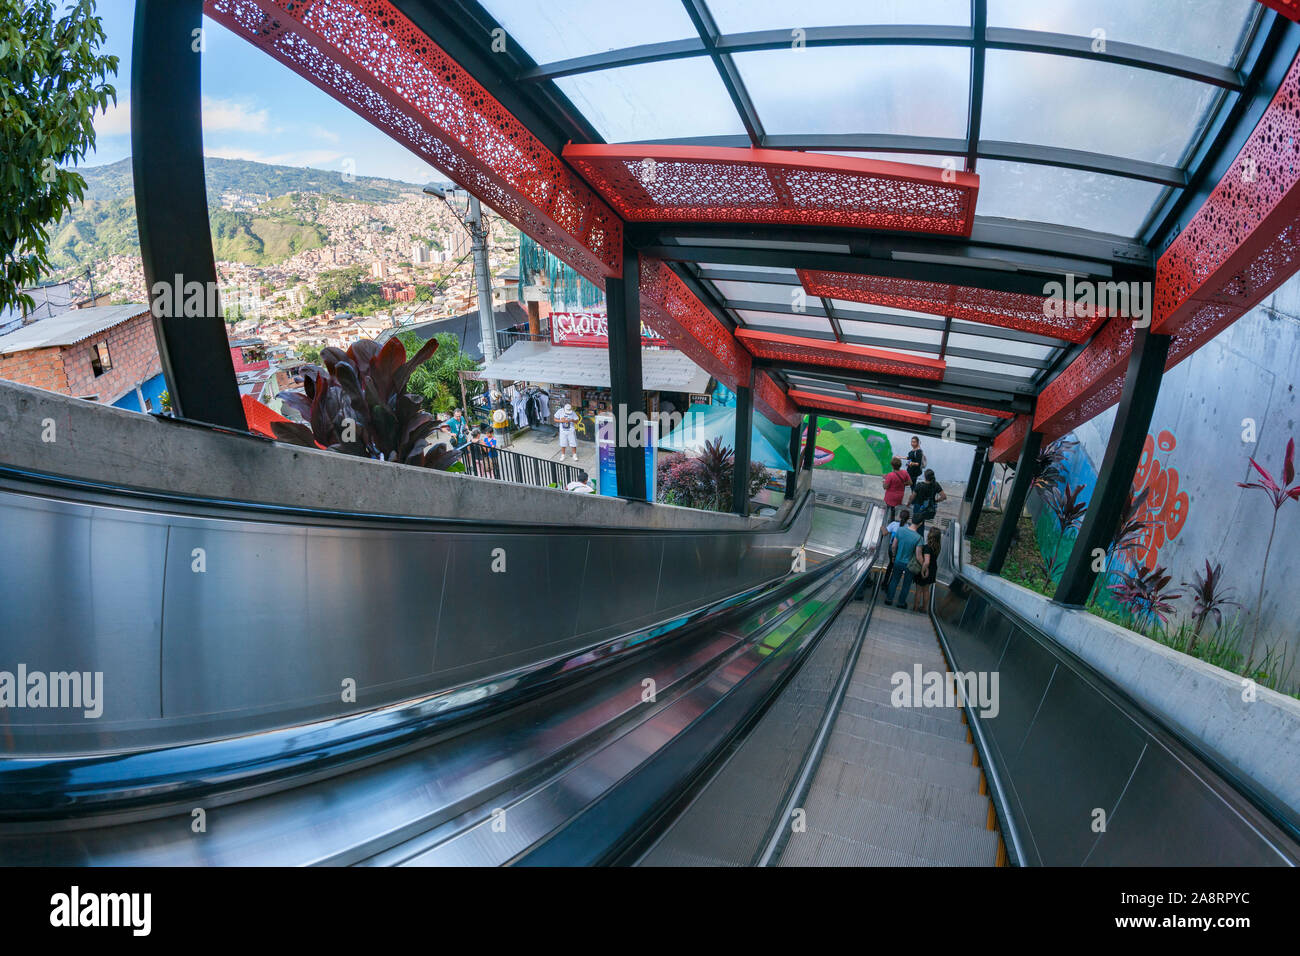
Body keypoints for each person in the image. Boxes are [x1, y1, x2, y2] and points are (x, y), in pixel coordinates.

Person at [885, 514, 924, 609]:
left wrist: (894, 557)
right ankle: (901, 603)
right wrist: (924, 566)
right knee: (906, 584)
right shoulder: (919, 538)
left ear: (911, 520)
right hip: (909, 565)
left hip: (898, 560)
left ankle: (889, 599)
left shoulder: (900, 530)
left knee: (894, 580)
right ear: (921, 523)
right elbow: (918, 556)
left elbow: (894, 546)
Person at [911, 528, 942, 612]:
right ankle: (924, 608)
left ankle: (916, 607)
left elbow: (927, 562)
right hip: (933, 569)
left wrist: (923, 571)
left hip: (926, 569)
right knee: (926, 590)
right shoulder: (938, 547)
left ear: (930, 535)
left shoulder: (927, 547)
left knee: (919, 590)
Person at [910, 468, 947, 533]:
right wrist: (935, 501)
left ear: (925, 477)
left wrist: (908, 503)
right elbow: (944, 497)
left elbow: (913, 496)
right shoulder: (936, 485)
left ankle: (915, 537)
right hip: (928, 508)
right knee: (921, 524)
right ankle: (920, 538)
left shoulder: (919, 485)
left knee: (916, 524)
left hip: (918, 507)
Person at [882, 456, 910, 521]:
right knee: (894, 506)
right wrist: (902, 484)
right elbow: (910, 483)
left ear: (892, 466)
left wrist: (884, 481)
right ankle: (893, 514)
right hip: (899, 495)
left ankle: (890, 518)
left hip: (890, 496)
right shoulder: (905, 473)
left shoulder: (890, 475)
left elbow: (885, 487)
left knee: (890, 507)